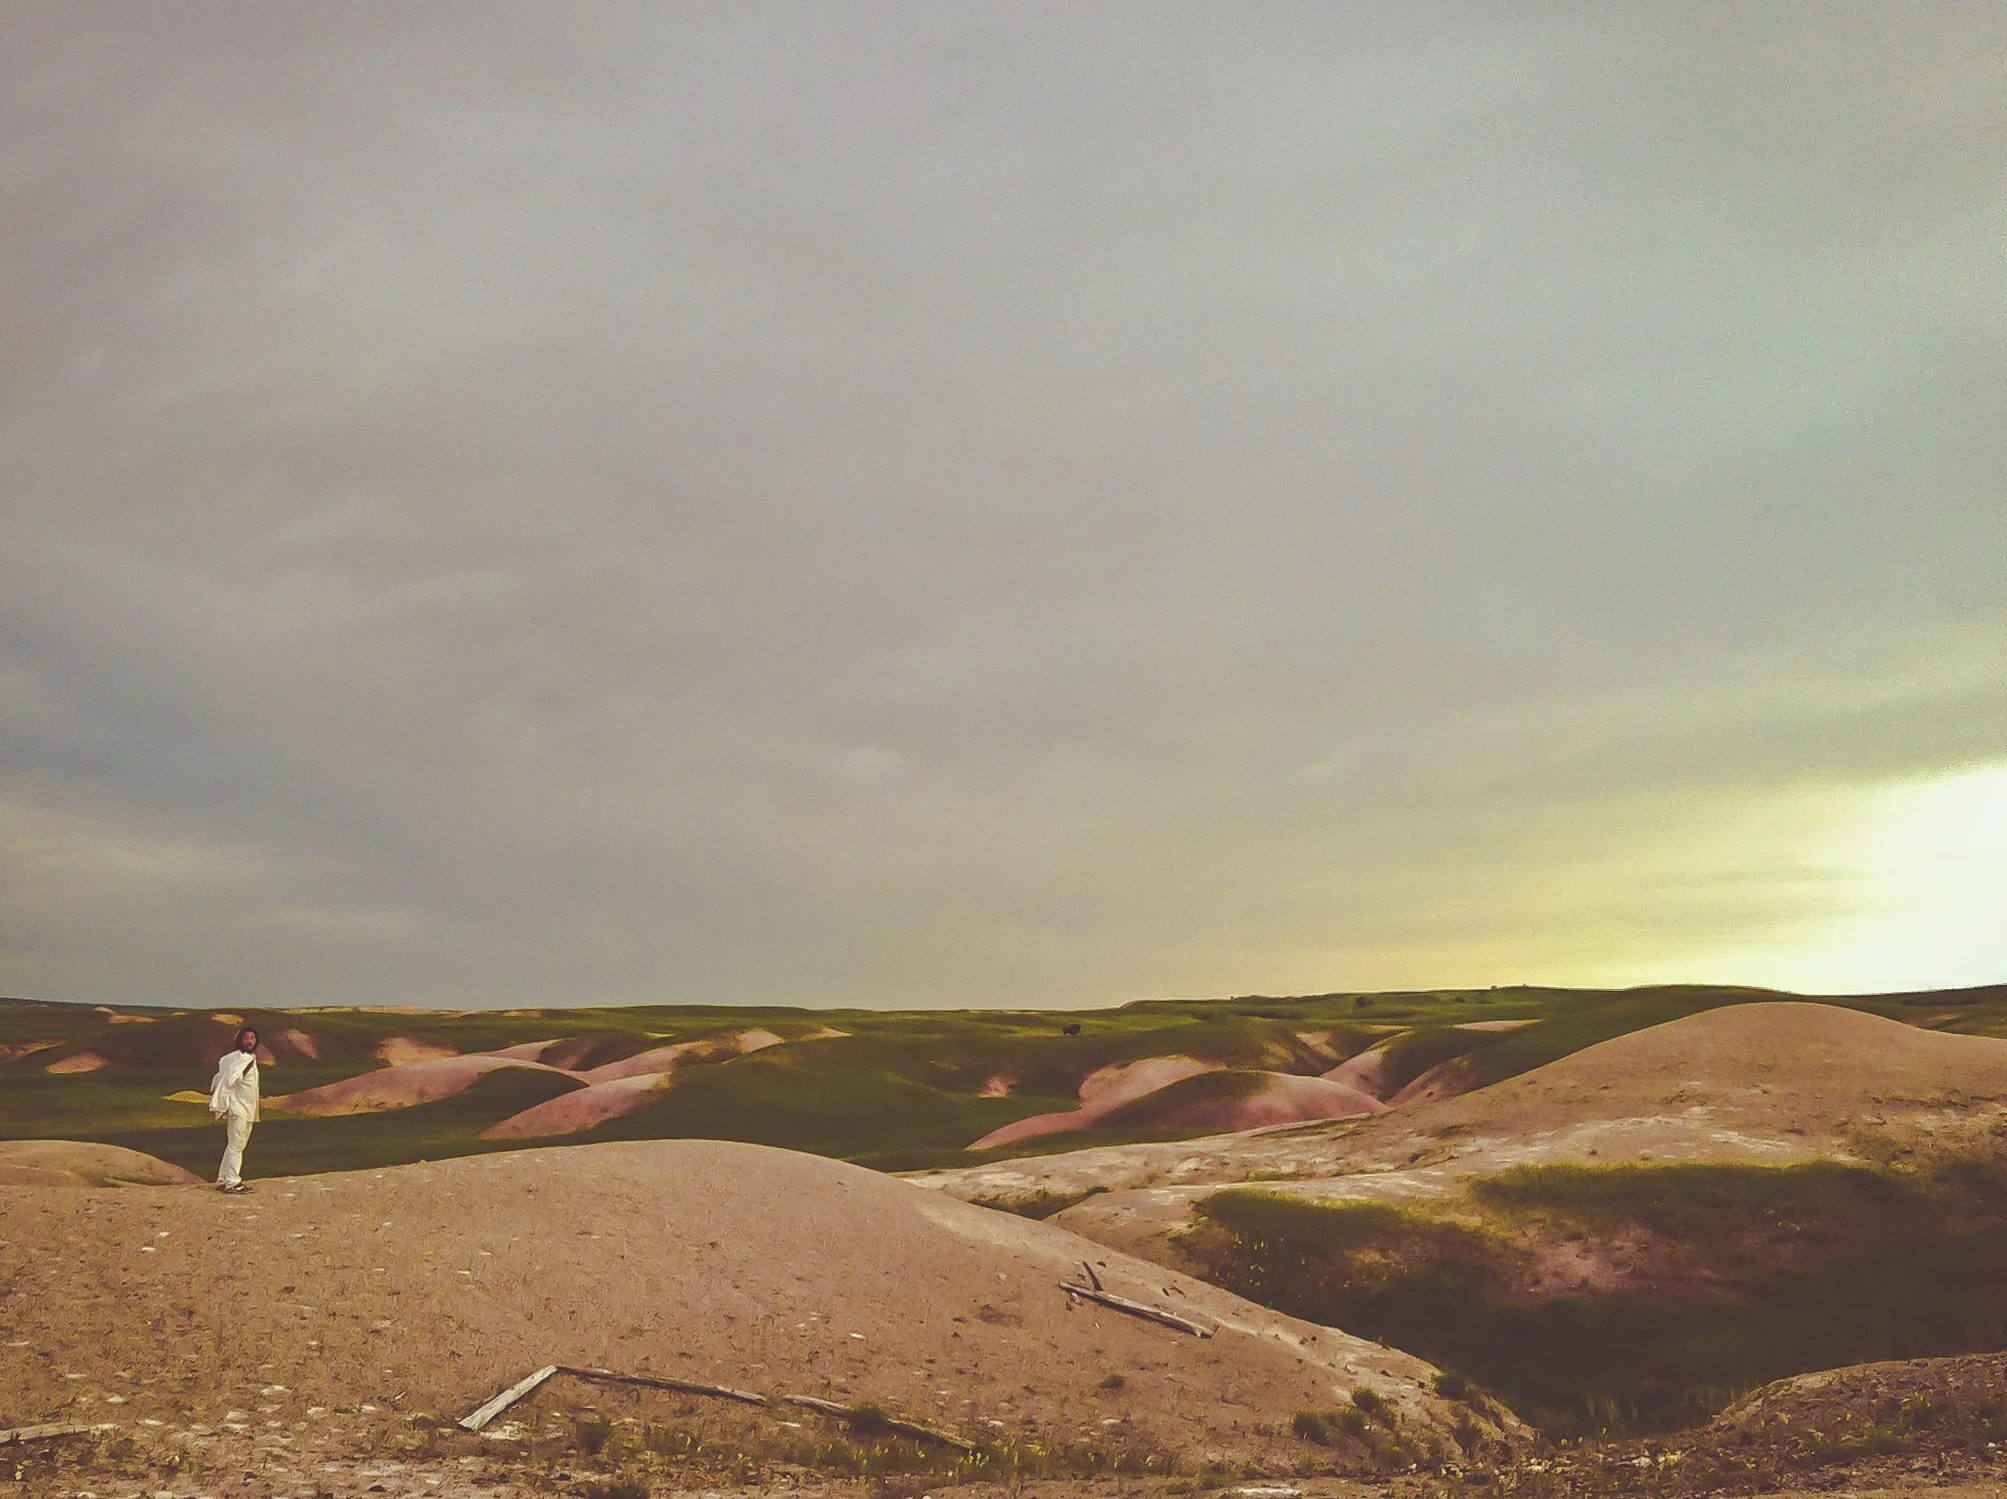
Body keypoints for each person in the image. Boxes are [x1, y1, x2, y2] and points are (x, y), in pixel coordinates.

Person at [209, 1027, 261, 1193]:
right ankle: (232, 1182)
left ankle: (223, 1179)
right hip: (240, 1109)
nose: (249, 1041)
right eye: (246, 1038)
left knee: (233, 1145)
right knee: (237, 1146)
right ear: (239, 1040)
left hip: (242, 1108)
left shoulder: (233, 1059)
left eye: (252, 1038)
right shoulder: (244, 1060)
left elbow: (220, 1076)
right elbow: (231, 1078)